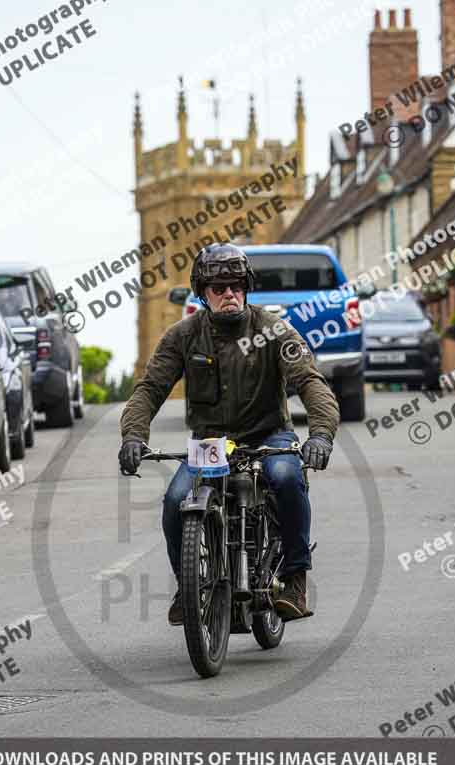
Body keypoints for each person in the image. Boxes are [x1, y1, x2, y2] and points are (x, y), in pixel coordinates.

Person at [119, 243, 340, 626]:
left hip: (270, 436)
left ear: (247, 288)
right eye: (219, 288)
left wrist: (320, 434)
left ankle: (295, 578)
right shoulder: (183, 336)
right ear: (203, 293)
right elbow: (150, 389)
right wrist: (132, 436)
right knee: (175, 500)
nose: (229, 294)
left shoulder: (274, 329)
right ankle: (187, 585)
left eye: (236, 285)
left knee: (287, 478)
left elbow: (310, 381)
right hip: (211, 443)